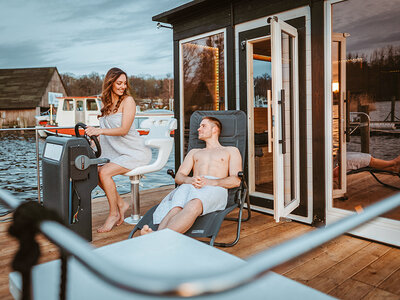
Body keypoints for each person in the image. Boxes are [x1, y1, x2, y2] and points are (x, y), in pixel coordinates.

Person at [140, 116, 242, 235]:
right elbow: (179, 177)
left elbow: (236, 181)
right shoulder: (194, 152)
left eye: (203, 126)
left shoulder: (230, 150)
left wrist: (210, 182)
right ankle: (157, 237)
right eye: (199, 126)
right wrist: (191, 180)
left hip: (215, 188)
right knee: (175, 208)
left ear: (215, 129)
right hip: (191, 186)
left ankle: (156, 238)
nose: (198, 129)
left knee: (194, 204)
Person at [85, 67, 151, 233]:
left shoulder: (128, 101)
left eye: (124, 83)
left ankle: (114, 213)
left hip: (134, 151)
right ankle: (121, 203)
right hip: (116, 152)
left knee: (104, 173)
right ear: (110, 83)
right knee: (96, 169)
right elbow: (105, 133)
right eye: (119, 83)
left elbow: (123, 129)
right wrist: (92, 137)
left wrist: (99, 130)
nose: (123, 86)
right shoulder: (105, 104)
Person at [333, 152, 400, 179]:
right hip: (334, 167)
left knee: (364, 160)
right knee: (367, 160)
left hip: (333, 162)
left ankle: (392, 168)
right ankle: (393, 163)